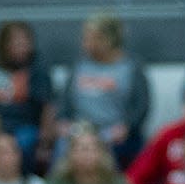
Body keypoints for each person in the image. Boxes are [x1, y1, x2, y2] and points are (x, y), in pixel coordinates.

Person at [55, 12, 151, 168]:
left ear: (108, 39)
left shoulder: (131, 67)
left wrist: (127, 127)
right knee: (64, 146)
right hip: (80, 129)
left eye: (91, 38)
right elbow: (64, 102)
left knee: (102, 151)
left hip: (114, 131)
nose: (85, 43)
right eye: (84, 38)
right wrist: (63, 123)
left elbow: (141, 107)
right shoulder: (79, 66)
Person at [0, 21, 54, 170]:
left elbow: (47, 108)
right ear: (3, 45)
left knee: (21, 144)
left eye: (25, 42)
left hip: (26, 126)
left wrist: (45, 142)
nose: (22, 47)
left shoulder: (37, 71)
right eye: (16, 42)